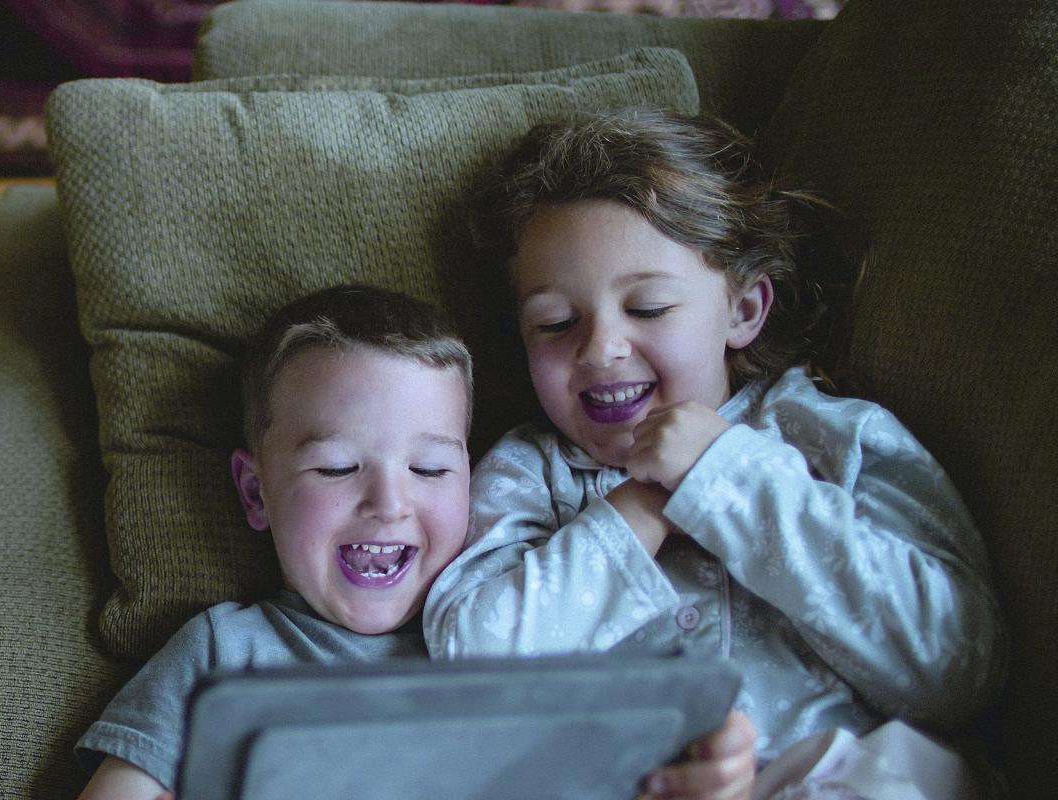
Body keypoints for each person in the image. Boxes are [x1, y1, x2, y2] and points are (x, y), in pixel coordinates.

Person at [423, 109, 1005, 799]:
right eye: (555, 323)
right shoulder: (529, 475)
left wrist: (726, 477)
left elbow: (956, 669)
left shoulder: (829, 435)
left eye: (648, 309)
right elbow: (469, 666)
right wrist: (637, 509)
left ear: (744, 310)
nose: (602, 348)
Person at [78, 284, 753, 800]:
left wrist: (712, 769)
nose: (390, 504)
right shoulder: (223, 653)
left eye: (430, 469)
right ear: (255, 492)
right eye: (338, 467)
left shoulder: (527, 637)